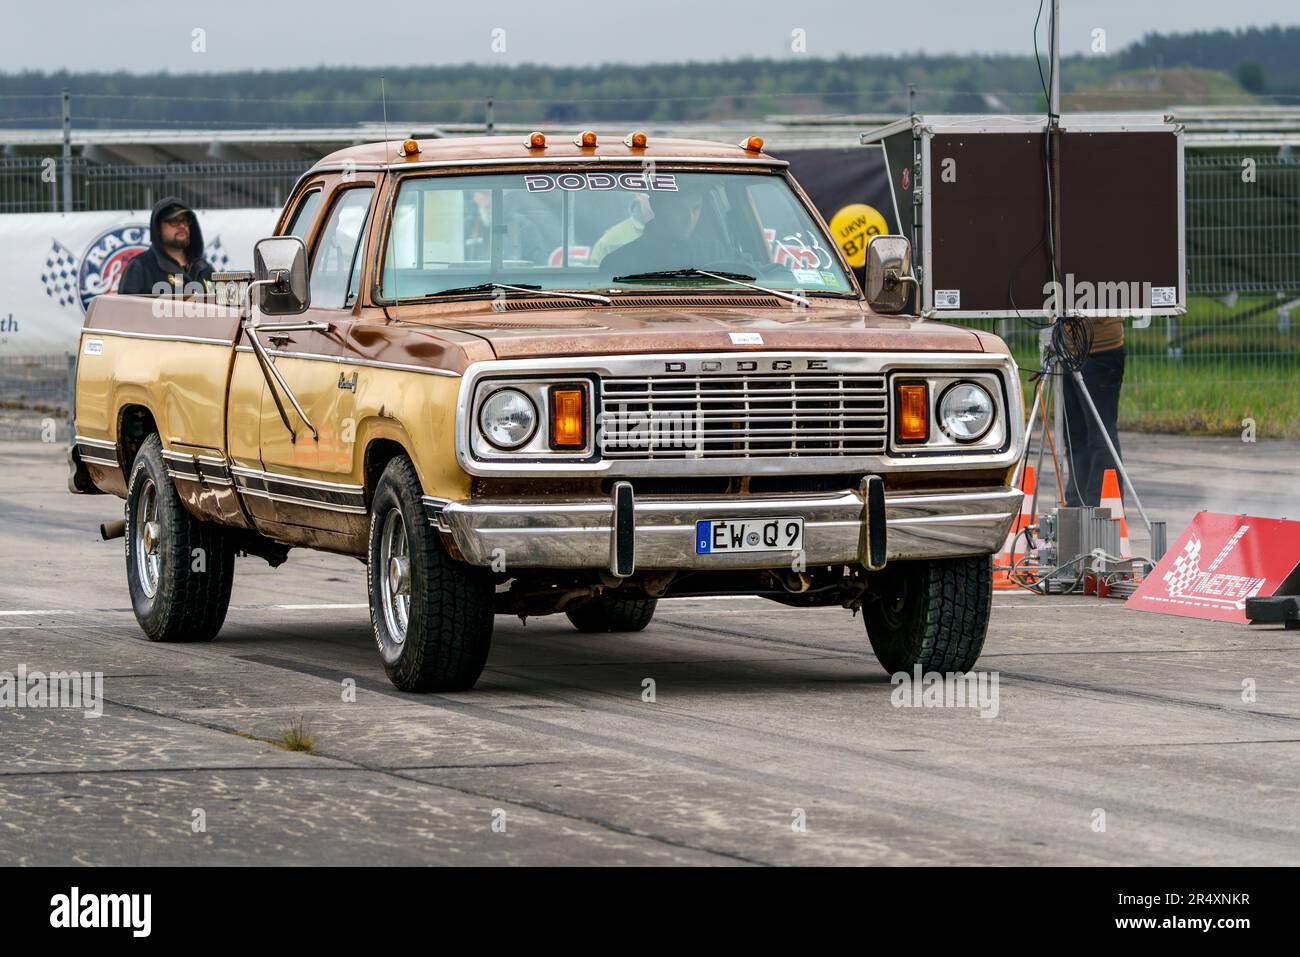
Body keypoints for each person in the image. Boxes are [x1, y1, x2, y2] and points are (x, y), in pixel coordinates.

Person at [1063, 314, 1125, 507]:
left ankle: (1102, 509)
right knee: (1074, 436)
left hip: (1100, 349)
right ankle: (1076, 507)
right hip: (1068, 349)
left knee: (1101, 435)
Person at [599, 184, 727, 276]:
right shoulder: (618, 263)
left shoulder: (717, 253)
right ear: (657, 207)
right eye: (679, 209)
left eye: (696, 208)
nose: (690, 218)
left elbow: (747, 272)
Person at [118, 197, 214, 296]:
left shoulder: (203, 269)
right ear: (158, 228)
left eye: (185, 221)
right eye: (174, 221)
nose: (182, 226)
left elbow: (220, 308)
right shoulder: (140, 268)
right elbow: (125, 309)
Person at [590, 192, 653, 266]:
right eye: (643, 206)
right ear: (634, 210)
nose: (648, 210)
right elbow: (596, 262)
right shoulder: (615, 234)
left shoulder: (661, 231)